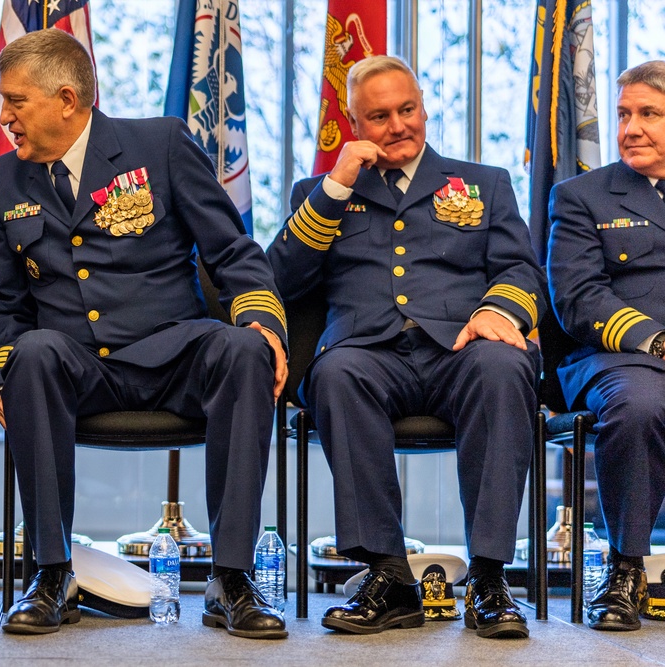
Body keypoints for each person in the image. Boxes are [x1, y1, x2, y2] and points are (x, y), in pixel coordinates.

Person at [0, 29, 288, 639]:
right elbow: (9, 307)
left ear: (66, 99)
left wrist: (262, 322)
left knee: (244, 349)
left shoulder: (160, 144)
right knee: (31, 352)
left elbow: (230, 251)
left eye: (16, 101)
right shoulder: (2, 181)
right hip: (76, 366)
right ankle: (51, 571)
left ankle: (231, 578)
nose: (5, 116)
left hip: (174, 353)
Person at [267, 56, 544, 639]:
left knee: (503, 367)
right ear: (353, 122)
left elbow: (521, 270)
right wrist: (335, 186)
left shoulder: (481, 183)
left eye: (407, 109)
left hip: (461, 348)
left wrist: (498, 310)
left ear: (423, 106)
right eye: (379, 116)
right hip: (367, 352)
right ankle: (389, 575)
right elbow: (281, 280)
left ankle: (490, 579)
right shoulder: (321, 192)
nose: (398, 125)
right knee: (335, 375)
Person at [547, 59, 665, 632]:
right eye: (623, 115)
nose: (630, 129)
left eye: (649, 114)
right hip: (615, 356)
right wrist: (655, 340)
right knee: (639, 404)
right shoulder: (581, 195)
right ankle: (626, 568)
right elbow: (576, 297)